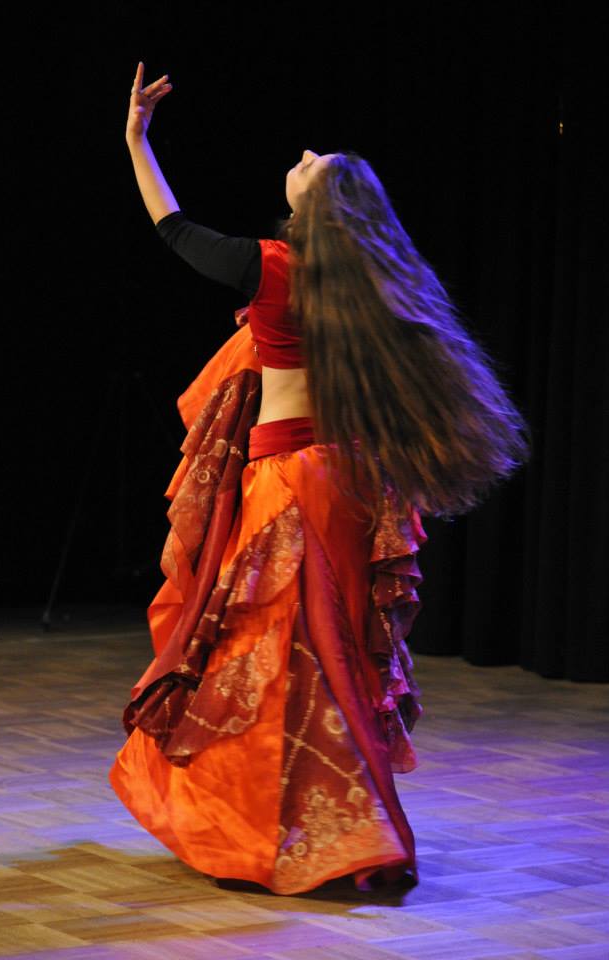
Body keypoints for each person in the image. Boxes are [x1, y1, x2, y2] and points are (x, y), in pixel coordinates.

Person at [108, 62, 532, 895]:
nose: (301, 156)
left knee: (273, 661)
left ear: (320, 206)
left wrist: (136, 141)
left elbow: (174, 229)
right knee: (328, 655)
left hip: (286, 489)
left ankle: (304, 835)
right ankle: (326, 828)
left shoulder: (274, 269)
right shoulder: (372, 285)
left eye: (314, 164)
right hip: (350, 485)